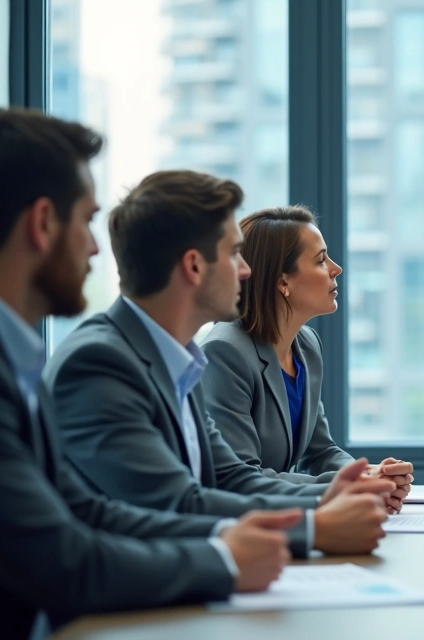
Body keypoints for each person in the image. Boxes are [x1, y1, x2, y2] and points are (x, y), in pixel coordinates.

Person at [0, 108, 294, 638]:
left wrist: (229, 536)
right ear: (43, 223)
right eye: (86, 221)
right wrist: (225, 562)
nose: (96, 248)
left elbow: (86, 510)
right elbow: (64, 562)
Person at [44, 170, 394, 558]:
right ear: (194, 266)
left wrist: (335, 496)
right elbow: (176, 502)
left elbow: (231, 477)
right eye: (232, 254)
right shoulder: (99, 363)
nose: (246, 270)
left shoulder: (178, 360)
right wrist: (314, 528)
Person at [201, 206, 413, 509]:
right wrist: (349, 487)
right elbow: (239, 478)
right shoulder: (225, 353)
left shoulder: (307, 345)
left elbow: (320, 451)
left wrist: (368, 475)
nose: (336, 268)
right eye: (320, 260)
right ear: (282, 281)